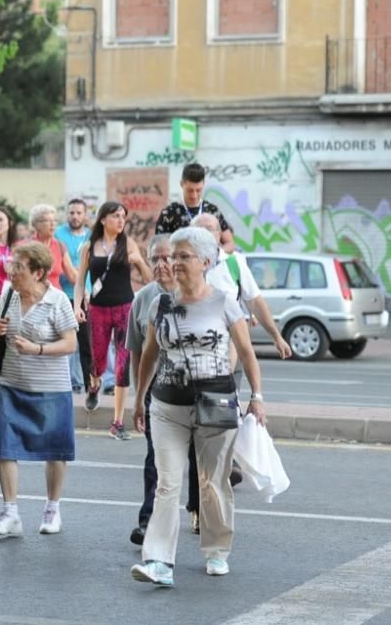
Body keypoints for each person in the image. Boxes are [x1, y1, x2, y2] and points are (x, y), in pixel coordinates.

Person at [130, 227, 264, 587]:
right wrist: (139, 398)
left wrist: (257, 396)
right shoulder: (161, 304)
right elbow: (150, 354)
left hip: (215, 403)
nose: (174, 263)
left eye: (183, 256)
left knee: (214, 482)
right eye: (172, 256)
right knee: (167, 483)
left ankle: (217, 550)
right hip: (166, 406)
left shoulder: (224, 301)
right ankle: (159, 561)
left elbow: (247, 353)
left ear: (205, 262)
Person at [0, 242, 78, 537]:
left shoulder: (58, 300)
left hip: (51, 388)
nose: (11, 271)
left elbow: (70, 343)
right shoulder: (8, 295)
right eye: (11, 265)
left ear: (39, 273)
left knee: (55, 450)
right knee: (5, 448)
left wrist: (38, 348)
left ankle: (52, 508)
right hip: (12, 384)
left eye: (19, 267)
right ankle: (10, 512)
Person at [73, 201, 152, 440]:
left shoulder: (128, 244)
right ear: (103, 219)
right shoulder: (89, 247)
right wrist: (77, 306)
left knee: (121, 365)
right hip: (97, 309)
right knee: (97, 362)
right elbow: (80, 280)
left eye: (123, 217)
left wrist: (138, 261)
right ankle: (94, 385)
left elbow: (149, 280)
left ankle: (117, 422)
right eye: (116, 216)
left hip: (124, 308)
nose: (121, 220)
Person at [124, 234, 176, 546]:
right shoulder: (143, 298)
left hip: (192, 386)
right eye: (154, 258)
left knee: (200, 464)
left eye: (166, 257)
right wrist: (138, 395)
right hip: (157, 389)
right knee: (155, 458)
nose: (160, 265)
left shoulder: (196, 294)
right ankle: (148, 522)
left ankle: (201, 514)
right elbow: (136, 351)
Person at [192, 213, 292, 359]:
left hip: (229, 347)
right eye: (199, 230)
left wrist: (276, 337)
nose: (204, 234)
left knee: (229, 380)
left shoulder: (234, 263)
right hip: (192, 347)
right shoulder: (181, 266)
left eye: (209, 229)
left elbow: (255, 301)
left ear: (219, 235)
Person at [54, 198, 94, 395]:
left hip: (87, 297)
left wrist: (92, 290)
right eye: (71, 212)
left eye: (79, 213)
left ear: (85, 215)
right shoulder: (58, 234)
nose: (75, 216)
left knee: (87, 345)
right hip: (63, 296)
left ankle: (89, 386)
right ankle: (63, 385)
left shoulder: (93, 236)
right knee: (63, 344)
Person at [155, 162, 233, 248]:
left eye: (198, 190)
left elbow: (229, 244)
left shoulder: (213, 211)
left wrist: (216, 254)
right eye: (190, 190)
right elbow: (159, 246)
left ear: (203, 184)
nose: (194, 195)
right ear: (181, 184)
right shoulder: (169, 213)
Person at [26, 204, 76, 293]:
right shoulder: (26, 246)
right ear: (36, 224)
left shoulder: (59, 245)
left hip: (55, 299)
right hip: (33, 298)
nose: (52, 224)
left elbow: (72, 276)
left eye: (54, 220)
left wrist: (84, 291)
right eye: (47, 221)